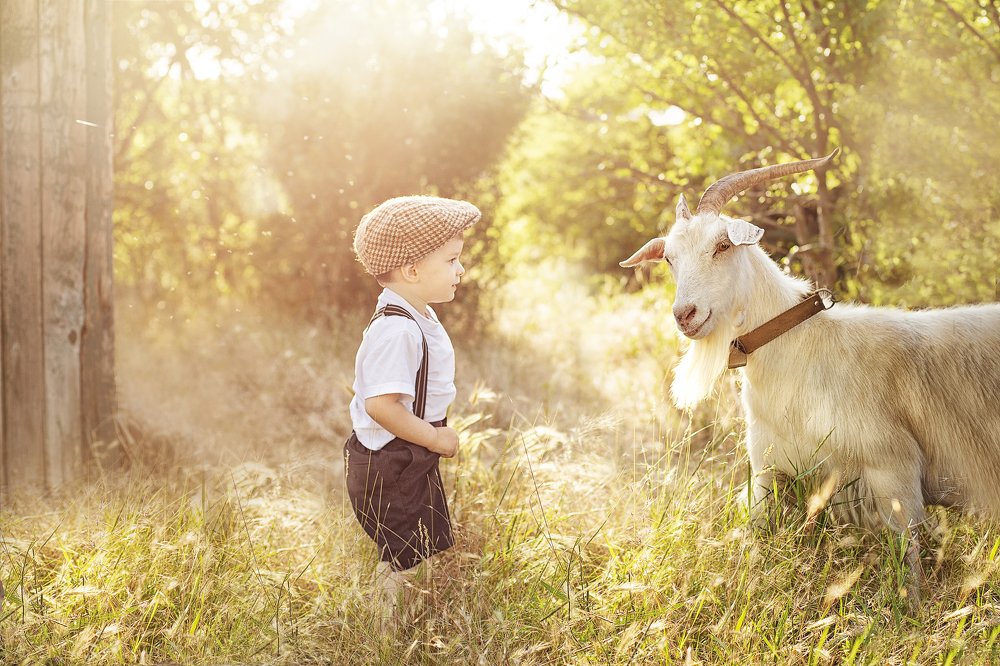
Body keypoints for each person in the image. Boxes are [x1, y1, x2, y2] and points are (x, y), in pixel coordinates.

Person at [344, 194, 480, 623]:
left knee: (417, 545)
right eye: (452, 260)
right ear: (412, 269)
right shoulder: (396, 329)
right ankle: (385, 633)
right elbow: (382, 406)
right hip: (392, 461)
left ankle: (403, 616)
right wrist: (436, 437)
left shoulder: (416, 314)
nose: (461, 269)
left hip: (408, 453)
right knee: (403, 552)